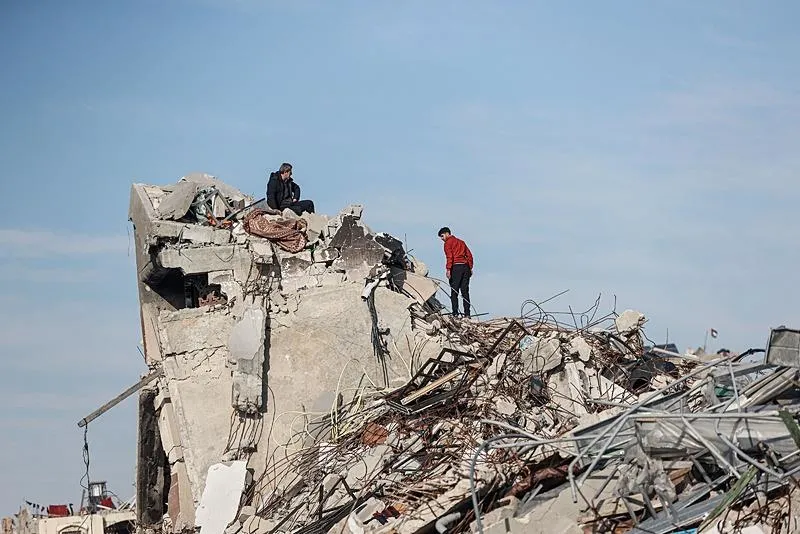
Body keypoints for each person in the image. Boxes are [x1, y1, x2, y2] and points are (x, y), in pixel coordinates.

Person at [438, 227, 474, 318]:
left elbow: (449, 257)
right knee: (465, 292)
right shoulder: (461, 242)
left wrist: (448, 269)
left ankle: (455, 313)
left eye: (442, 236)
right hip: (465, 268)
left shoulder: (448, 243)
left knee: (454, 291)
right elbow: (469, 256)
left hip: (456, 268)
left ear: (447, 234)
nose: (442, 239)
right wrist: (470, 267)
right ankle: (467, 314)